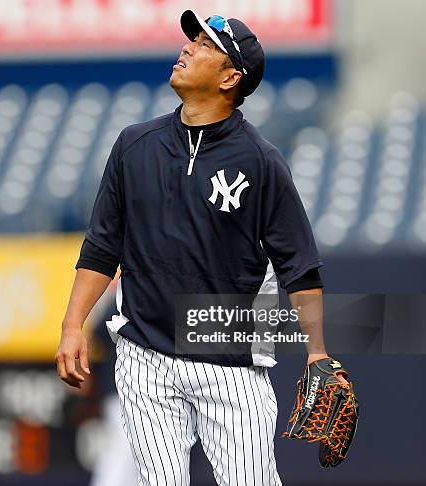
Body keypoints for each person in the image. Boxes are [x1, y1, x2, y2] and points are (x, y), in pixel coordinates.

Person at [56, 10, 342, 485]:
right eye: (191, 39)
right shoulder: (134, 145)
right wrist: (72, 324)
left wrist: (317, 351)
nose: (188, 47)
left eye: (206, 45)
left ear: (232, 77)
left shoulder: (261, 161)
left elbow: (300, 267)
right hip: (144, 356)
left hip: (231, 362)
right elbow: (102, 248)